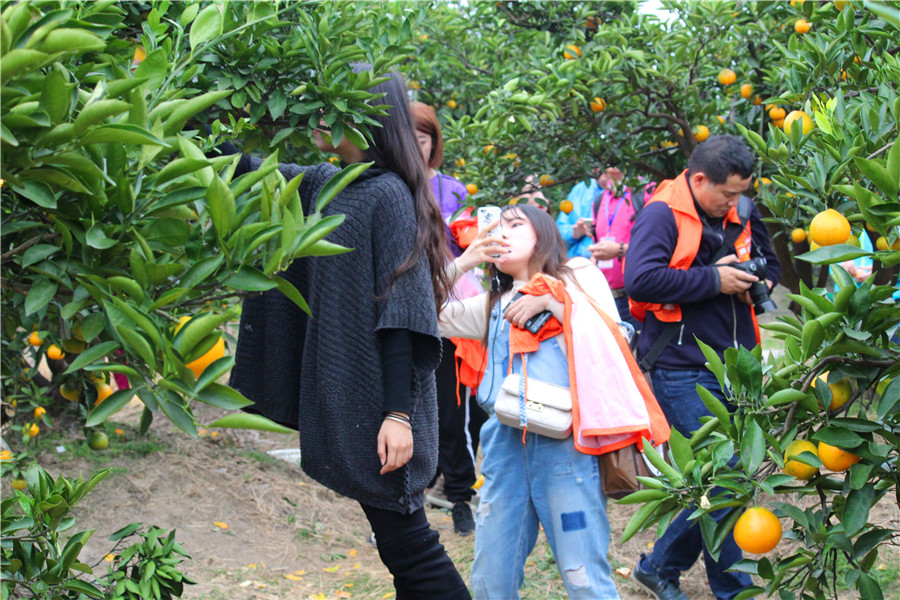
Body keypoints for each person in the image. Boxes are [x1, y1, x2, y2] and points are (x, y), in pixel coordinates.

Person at [227, 68, 471, 599]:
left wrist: (398, 416)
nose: (318, 119)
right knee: (401, 550)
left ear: (366, 117)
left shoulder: (389, 195)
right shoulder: (327, 183)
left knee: (411, 548)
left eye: (330, 108)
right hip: (352, 399)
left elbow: (403, 315)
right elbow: (242, 167)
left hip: (383, 405)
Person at [440, 204, 669, 599]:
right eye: (496, 226)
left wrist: (552, 302)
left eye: (515, 224)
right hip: (504, 446)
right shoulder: (492, 303)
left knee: (584, 578)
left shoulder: (578, 274)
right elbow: (420, 310)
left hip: (566, 449)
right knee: (490, 581)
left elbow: (616, 337)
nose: (502, 233)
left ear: (543, 234)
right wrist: (464, 261)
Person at [624, 135, 781, 600]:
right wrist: (714, 279)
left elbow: (772, 264)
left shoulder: (743, 212)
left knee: (727, 477)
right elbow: (641, 279)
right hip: (682, 365)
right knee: (725, 476)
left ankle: (658, 566)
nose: (734, 203)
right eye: (727, 194)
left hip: (738, 364)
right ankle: (733, 589)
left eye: (740, 194)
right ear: (697, 180)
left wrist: (757, 278)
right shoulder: (661, 215)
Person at [410, 101, 487, 535]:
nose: (414, 145)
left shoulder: (452, 190)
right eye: (408, 137)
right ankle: (412, 497)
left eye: (422, 138)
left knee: (452, 407)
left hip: (448, 306)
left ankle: (460, 497)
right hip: (403, 305)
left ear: (434, 143)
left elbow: (469, 239)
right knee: (407, 405)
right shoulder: (390, 184)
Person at [585, 169, 649, 336]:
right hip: (607, 298)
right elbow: (596, 241)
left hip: (636, 298)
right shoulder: (599, 201)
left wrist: (620, 250)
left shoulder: (644, 192)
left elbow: (655, 244)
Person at [557, 166, 624, 258]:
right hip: (580, 262)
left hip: (617, 260)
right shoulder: (581, 190)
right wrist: (574, 233)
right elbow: (558, 232)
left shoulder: (631, 193)